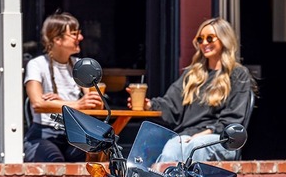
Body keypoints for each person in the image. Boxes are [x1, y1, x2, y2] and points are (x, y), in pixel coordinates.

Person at [130, 17, 254, 162]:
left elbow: (232, 120)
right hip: (187, 137)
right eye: (200, 39)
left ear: (224, 40)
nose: (204, 43)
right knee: (172, 147)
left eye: (210, 38)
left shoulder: (238, 74)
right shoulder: (193, 75)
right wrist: (149, 105)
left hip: (220, 139)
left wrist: (205, 133)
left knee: (196, 146)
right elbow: (171, 105)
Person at [23, 12, 103, 162]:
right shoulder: (37, 64)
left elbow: (96, 104)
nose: (81, 38)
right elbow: (38, 103)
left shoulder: (81, 66)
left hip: (74, 133)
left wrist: (62, 104)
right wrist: (76, 105)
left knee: (95, 158)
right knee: (55, 163)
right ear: (57, 39)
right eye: (74, 34)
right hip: (44, 133)